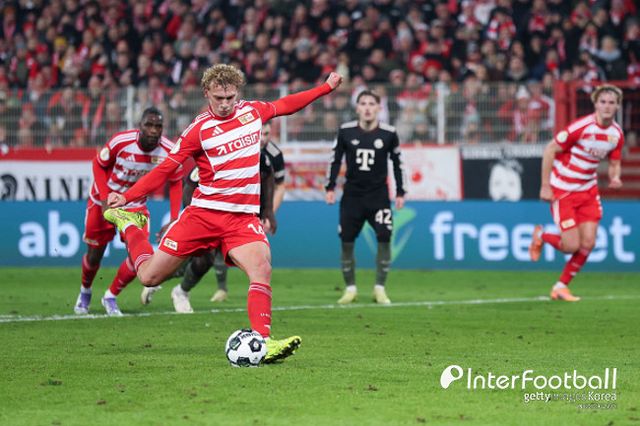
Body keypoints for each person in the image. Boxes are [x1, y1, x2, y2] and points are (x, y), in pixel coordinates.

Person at [104, 64, 342, 363]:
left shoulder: (252, 112)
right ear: (207, 93)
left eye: (230, 97)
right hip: (203, 215)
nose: (226, 104)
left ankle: (263, 343)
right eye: (219, 98)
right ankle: (130, 225)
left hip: (241, 219)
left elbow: (286, 104)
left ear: (238, 93)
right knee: (149, 277)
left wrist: (325, 88)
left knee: (261, 268)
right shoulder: (198, 130)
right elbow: (165, 169)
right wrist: (127, 198)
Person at [140, 123, 281, 312]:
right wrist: (192, 217)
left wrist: (268, 211)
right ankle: (170, 285)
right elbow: (190, 183)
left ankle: (182, 291)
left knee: (212, 260)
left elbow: (269, 177)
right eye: (259, 133)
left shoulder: (264, 158)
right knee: (200, 260)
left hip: (238, 215)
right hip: (206, 214)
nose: (261, 138)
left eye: (265, 134)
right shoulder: (221, 154)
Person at [73, 107, 182, 316]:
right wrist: (105, 199)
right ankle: (85, 291)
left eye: (158, 126)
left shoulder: (169, 151)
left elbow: (176, 181)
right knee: (94, 255)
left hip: (135, 205)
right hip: (104, 200)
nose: (153, 130)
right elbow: (98, 164)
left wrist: (174, 219)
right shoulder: (121, 141)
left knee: (139, 258)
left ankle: (110, 296)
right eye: (149, 125)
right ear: (140, 126)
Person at [529, 84, 624, 302]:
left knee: (588, 243)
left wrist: (615, 177)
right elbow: (550, 149)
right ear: (595, 104)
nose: (607, 106)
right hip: (563, 190)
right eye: (603, 102)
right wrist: (545, 185)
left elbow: (614, 162)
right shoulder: (581, 127)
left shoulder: (616, 134)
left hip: (588, 190)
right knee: (571, 246)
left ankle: (561, 286)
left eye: (611, 103)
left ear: (617, 106)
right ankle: (541, 236)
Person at [325, 89, 406, 305]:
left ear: (379, 108)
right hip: (352, 196)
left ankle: (380, 288)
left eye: (372, 104)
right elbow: (335, 160)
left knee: (384, 237)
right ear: (357, 108)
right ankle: (350, 289)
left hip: (378, 196)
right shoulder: (345, 131)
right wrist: (330, 187)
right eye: (363, 104)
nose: (368, 108)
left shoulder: (389, 133)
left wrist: (400, 191)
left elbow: (398, 164)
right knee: (347, 241)